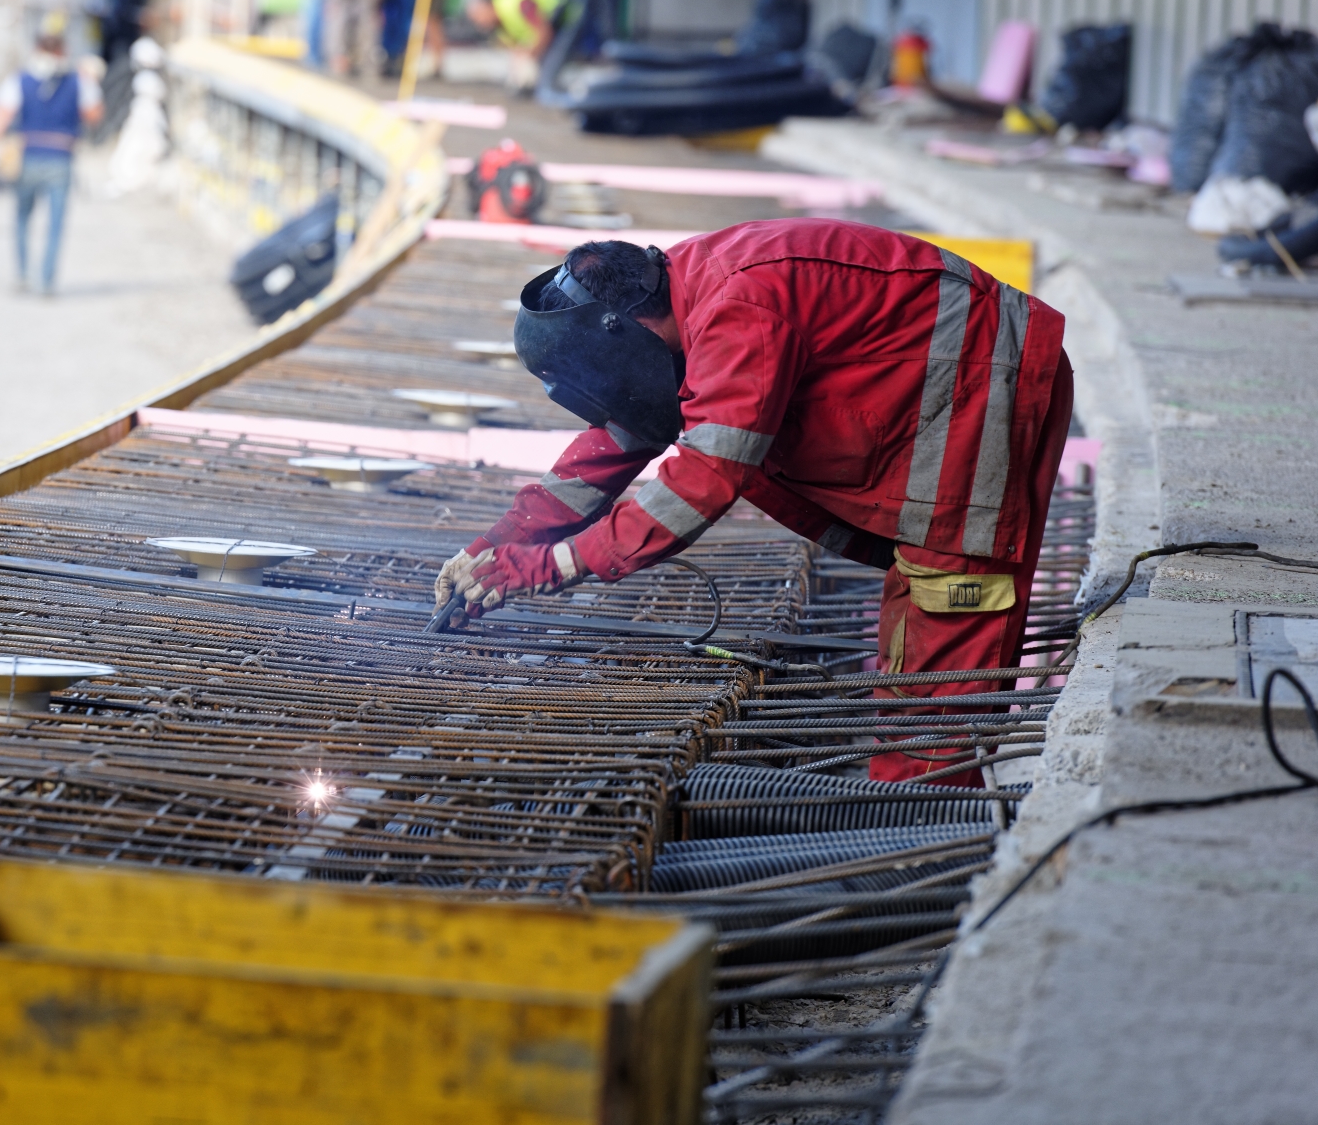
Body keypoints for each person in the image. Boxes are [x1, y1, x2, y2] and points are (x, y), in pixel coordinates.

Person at [432, 221, 1074, 789]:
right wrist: (495, 546)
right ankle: (910, 793)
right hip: (934, 392)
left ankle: (924, 827)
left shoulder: (737, 310)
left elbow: (704, 476)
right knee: (917, 642)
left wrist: (556, 565)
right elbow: (620, 436)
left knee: (947, 623)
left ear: (622, 330)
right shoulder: (676, 294)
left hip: (983, 389)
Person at [0, 25, 105, 294]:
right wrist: (91, 82)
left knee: (23, 217)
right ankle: (46, 281)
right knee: (55, 224)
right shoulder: (78, 81)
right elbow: (94, 116)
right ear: (63, 50)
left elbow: (1, 117)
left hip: (28, 156)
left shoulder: (20, 80)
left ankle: (23, 274)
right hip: (60, 157)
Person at [465, 0, 566, 93]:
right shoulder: (499, 27)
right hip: (549, 26)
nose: (479, 24)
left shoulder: (514, 2)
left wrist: (529, 57)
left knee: (547, 73)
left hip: (564, 14)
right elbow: (517, 49)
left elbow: (545, 32)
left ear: (486, 7)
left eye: (478, 17)